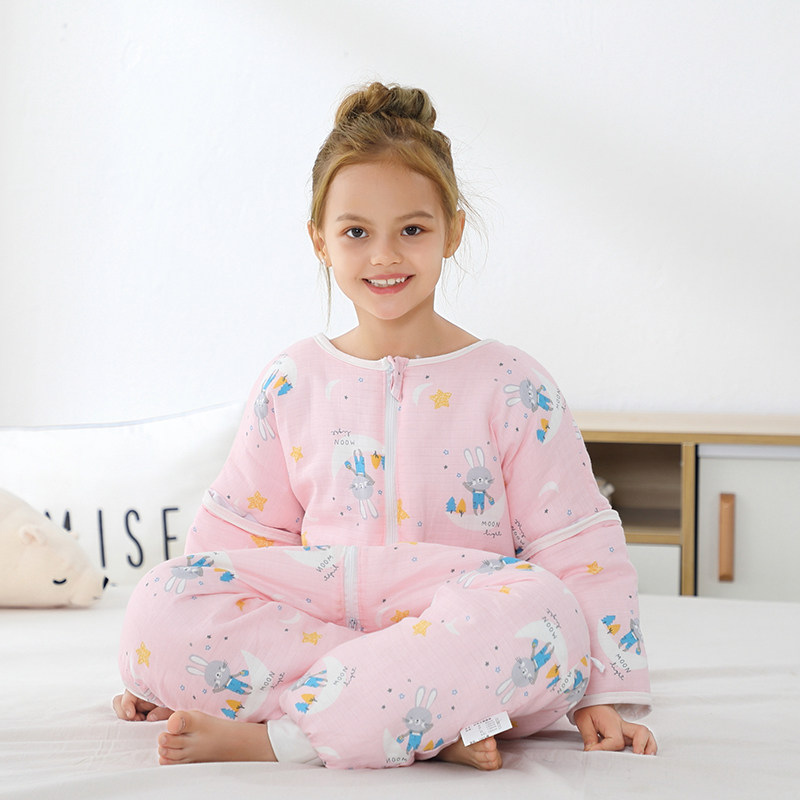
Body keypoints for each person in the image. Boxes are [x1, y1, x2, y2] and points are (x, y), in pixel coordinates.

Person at [112, 82, 657, 770]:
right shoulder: (293, 379)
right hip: (324, 613)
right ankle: (426, 717)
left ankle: (290, 735)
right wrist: (159, 667)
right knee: (160, 602)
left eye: (412, 230)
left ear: (452, 231)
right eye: (356, 233)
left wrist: (600, 694)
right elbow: (239, 541)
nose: (384, 255)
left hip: (465, 614)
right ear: (320, 241)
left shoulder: (513, 383)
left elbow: (575, 541)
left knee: (547, 612)